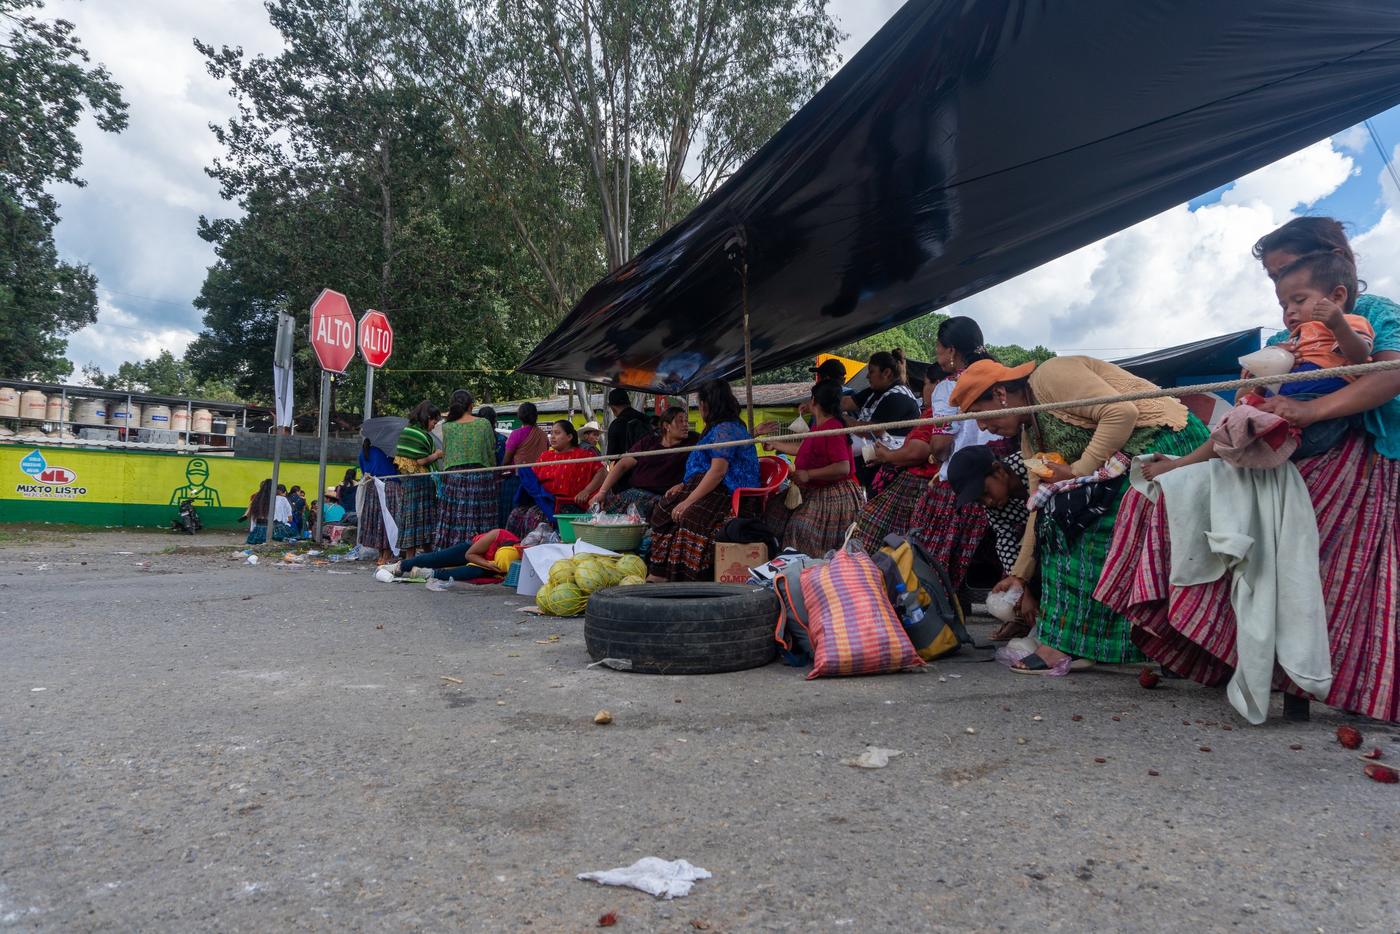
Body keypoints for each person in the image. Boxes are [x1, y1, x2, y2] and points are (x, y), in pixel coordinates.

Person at [1097, 216, 1400, 722]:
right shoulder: (1291, 334)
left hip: (1355, 456)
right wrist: (1191, 454)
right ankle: (1221, 651)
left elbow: (1387, 375)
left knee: (1311, 571)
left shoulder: (1371, 315)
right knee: (1162, 499)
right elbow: (1252, 409)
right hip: (1280, 452)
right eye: (1276, 283)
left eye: (1288, 273)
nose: (1285, 298)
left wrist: (1309, 410)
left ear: (1332, 266)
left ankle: (1305, 681)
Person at [951, 356, 1209, 673]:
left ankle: (1066, 645)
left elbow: (1122, 412)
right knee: (1054, 522)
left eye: (979, 414)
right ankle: (1103, 644)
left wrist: (1077, 472)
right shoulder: (1030, 439)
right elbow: (1038, 507)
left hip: (1167, 445)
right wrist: (1020, 575)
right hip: (1129, 464)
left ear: (1000, 394)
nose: (981, 427)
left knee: (1076, 527)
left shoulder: (1049, 377)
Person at [1141, 250, 1374, 480]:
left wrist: (1338, 325)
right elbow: (1247, 393)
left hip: (1319, 418)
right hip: (1280, 410)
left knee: (1240, 431)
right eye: (1284, 306)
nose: (1290, 311)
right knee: (1234, 421)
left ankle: (1197, 466)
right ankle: (1184, 464)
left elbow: (1360, 357)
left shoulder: (1350, 322)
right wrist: (1269, 364)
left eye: (1299, 300)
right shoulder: (1291, 340)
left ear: (1337, 297)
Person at [905, 317, 1000, 593]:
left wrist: (934, 457)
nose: (937, 355)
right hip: (1004, 476)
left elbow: (941, 445)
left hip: (961, 486)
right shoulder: (1003, 375)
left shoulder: (949, 387)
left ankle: (941, 606)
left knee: (933, 563)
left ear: (951, 350)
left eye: (938, 349)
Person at [648, 380, 761, 581]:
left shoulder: (726, 430)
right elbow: (704, 466)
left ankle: (686, 578)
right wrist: (683, 485)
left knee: (689, 517)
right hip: (704, 485)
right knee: (662, 510)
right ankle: (659, 572)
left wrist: (688, 501)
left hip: (725, 492)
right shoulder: (714, 428)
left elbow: (718, 472)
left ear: (707, 404)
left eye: (700, 404)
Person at [759, 380, 863, 556]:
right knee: (774, 512)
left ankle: (806, 567)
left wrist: (808, 474)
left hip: (832, 493)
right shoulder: (819, 425)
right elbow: (805, 449)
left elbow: (843, 467)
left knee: (800, 528)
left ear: (814, 400)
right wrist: (776, 444)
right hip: (812, 489)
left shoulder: (833, 428)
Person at [946, 444, 1034, 640]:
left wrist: (1024, 581)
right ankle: (1023, 622)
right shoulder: (994, 508)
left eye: (985, 492)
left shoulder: (1031, 466)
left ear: (999, 470)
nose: (988, 502)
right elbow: (1005, 539)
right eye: (979, 500)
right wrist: (1019, 586)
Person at [850, 373, 940, 552]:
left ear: (938, 385)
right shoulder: (933, 412)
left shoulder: (937, 413)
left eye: (926, 384)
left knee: (875, 530)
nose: (868, 376)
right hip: (911, 484)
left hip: (917, 487)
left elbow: (917, 452)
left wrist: (888, 455)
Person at [587, 406, 698, 517]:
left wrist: (683, 484)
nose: (685, 425)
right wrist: (602, 492)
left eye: (686, 421)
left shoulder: (693, 442)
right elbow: (623, 465)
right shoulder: (649, 442)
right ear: (666, 425)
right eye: (680, 421)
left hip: (662, 498)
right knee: (597, 508)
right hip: (634, 493)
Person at [506, 420, 606, 536]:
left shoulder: (583, 455)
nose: (552, 437)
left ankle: (537, 545)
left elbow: (602, 472)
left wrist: (586, 491)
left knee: (534, 515)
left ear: (569, 437)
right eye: (552, 433)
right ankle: (514, 544)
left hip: (569, 504)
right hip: (544, 501)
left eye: (557, 433)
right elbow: (533, 480)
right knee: (516, 514)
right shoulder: (545, 456)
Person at [844, 348, 922, 490]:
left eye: (871, 371)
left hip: (890, 471)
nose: (867, 376)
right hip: (871, 463)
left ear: (886, 373)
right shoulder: (876, 390)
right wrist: (821, 403)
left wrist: (844, 420)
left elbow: (871, 431)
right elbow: (847, 402)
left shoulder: (898, 397)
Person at [434, 389, 500, 551]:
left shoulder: (448, 427)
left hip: (454, 478)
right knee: (479, 515)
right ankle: (480, 550)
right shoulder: (483, 424)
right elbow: (490, 451)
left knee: (457, 515)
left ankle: (452, 550)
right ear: (471, 406)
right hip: (480, 477)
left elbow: (447, 454)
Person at [387, 528, 521, 591]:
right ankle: (403, 565)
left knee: (472, 573)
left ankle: (431, 574)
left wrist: (494, 568)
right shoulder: (497, 535)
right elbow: (470, 555)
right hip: (471, 551)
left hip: (489, 566)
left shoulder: (518, 554)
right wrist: (488, 563)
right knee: (437, 558)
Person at [393, 401, 443, 559]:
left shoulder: (407, 431)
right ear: (428, 418)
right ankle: (428, 559)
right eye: (434, 421)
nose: (434, 425)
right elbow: (420, 460)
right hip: (421, 484)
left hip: (409, 483)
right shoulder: (421, 435)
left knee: (412, 521)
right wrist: (436, 455)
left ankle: (411, 559)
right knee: (424, 522)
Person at [358, 437, 397, 564]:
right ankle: (386, 555)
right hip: (388, 487)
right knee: (389, 520)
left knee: (377, 521)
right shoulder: (385, 451)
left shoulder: (363, 453)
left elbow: (365, 472)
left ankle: (381, 556)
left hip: (372, 488)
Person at [476, 405, 514, 528]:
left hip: (479, 483)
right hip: (499, 483)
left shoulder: (474, 440)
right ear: (494, 421)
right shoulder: (502, 440)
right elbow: (507, 463)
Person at [244, 478, 293, 544]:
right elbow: (290, 518)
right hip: (276, 530)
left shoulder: (256, 499)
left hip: (259, 531)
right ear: (275, 488)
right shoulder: (282, 499)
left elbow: (249, 515)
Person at [605, 388, 651, 456]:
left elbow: (612, 456)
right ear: (629, 403)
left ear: (612, 407)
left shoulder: (616, 425)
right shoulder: (646, 418)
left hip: (626, 461)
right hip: (650, 459)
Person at [503, 401, 548, 469]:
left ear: (519, 416)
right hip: (541, 472)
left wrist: (499, 470)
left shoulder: (516, 434)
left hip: (521, 474)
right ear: (536, 416)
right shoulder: (543, 434)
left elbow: (506, 460)